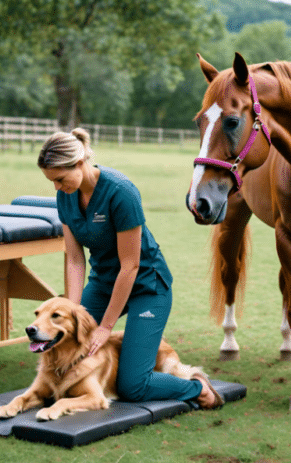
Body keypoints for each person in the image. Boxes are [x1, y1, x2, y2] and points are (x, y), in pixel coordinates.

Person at [37, 128, 223, 409]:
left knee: (132, 385)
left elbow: (130, 266)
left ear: (78, 163)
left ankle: (196, 386)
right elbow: (75, 259)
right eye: (52, 181)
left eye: (60, 178)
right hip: (102, 284)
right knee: (68, 345)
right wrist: (71, 312)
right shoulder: (66, 196)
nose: (56, 187)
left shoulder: (120, 192)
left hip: (146, 287)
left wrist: (105, 328)